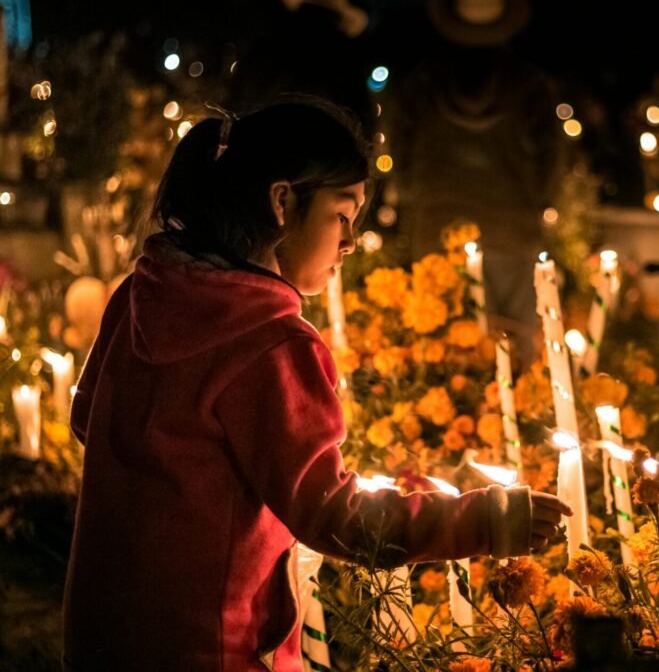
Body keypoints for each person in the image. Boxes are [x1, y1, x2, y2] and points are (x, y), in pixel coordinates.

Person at [62, 97, 570, 671]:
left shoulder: (139, 295)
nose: (350, 242)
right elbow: (337, 515)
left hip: (104, 635)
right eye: (342, 214)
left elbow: (88, 419)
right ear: (282, 202)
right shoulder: (271, 346)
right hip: (213, 646)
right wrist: (483, 521)